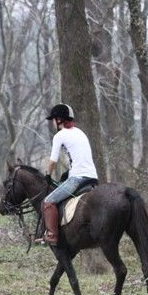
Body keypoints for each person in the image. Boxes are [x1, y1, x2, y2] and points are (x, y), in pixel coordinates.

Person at [37, 104, 98, 246]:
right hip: (92, 177)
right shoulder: (80, 132)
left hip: (77, 179)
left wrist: (47, 175)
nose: (52, 123)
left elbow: (53, 161)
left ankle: (51, 235)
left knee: (48, 202)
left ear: (59, 120)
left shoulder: (60, 135)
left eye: (53, 119)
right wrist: (68, 173)